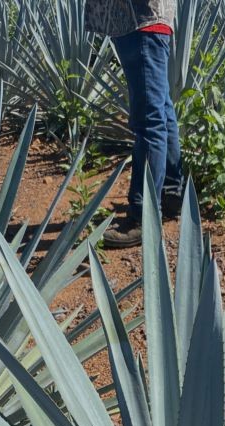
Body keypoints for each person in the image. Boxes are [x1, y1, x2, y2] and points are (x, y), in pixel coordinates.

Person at [84, 1, 185, 248]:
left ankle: (143, 217)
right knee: (161, 111)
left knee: (149, 121)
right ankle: (171, 193)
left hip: (140, 21)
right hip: (147, 21)